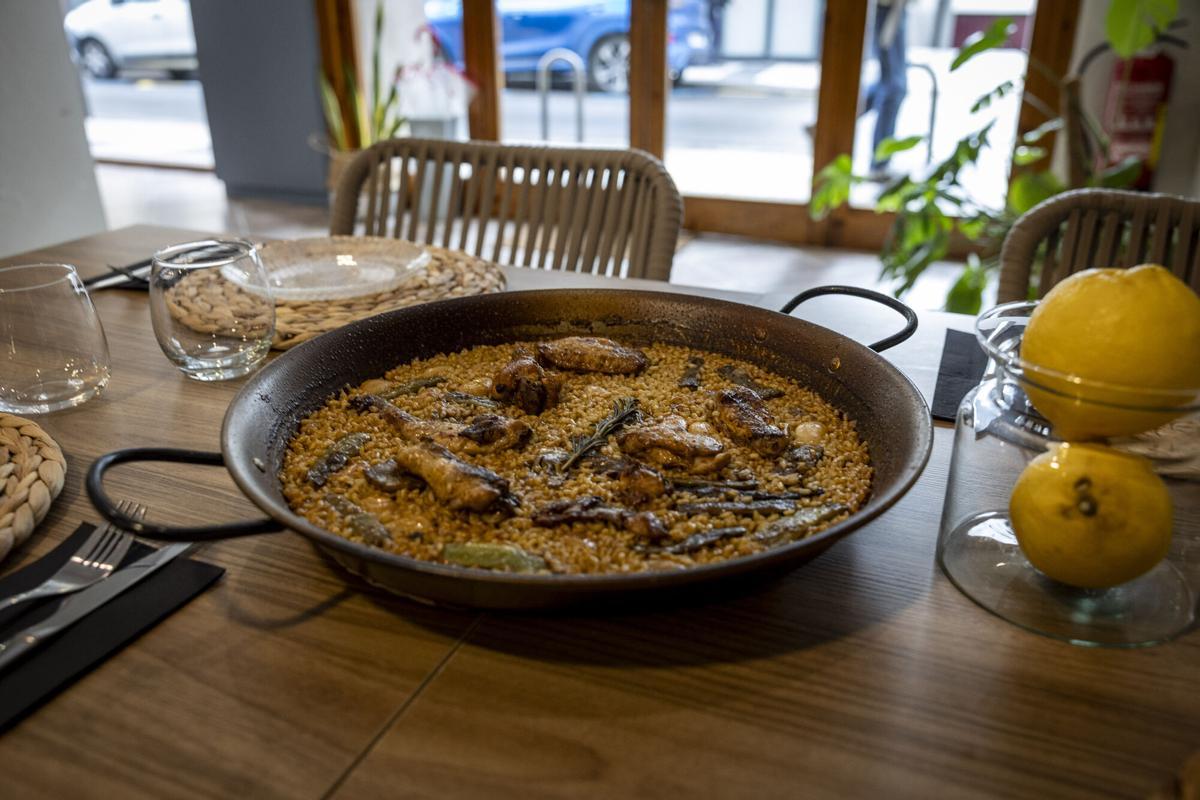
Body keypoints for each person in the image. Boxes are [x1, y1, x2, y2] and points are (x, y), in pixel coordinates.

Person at [865, 0, 908, 179]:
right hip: (886, 8)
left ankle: (825, 122)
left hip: (894, 8)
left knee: (887, 85)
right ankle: (879, 164)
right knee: (894, 89)